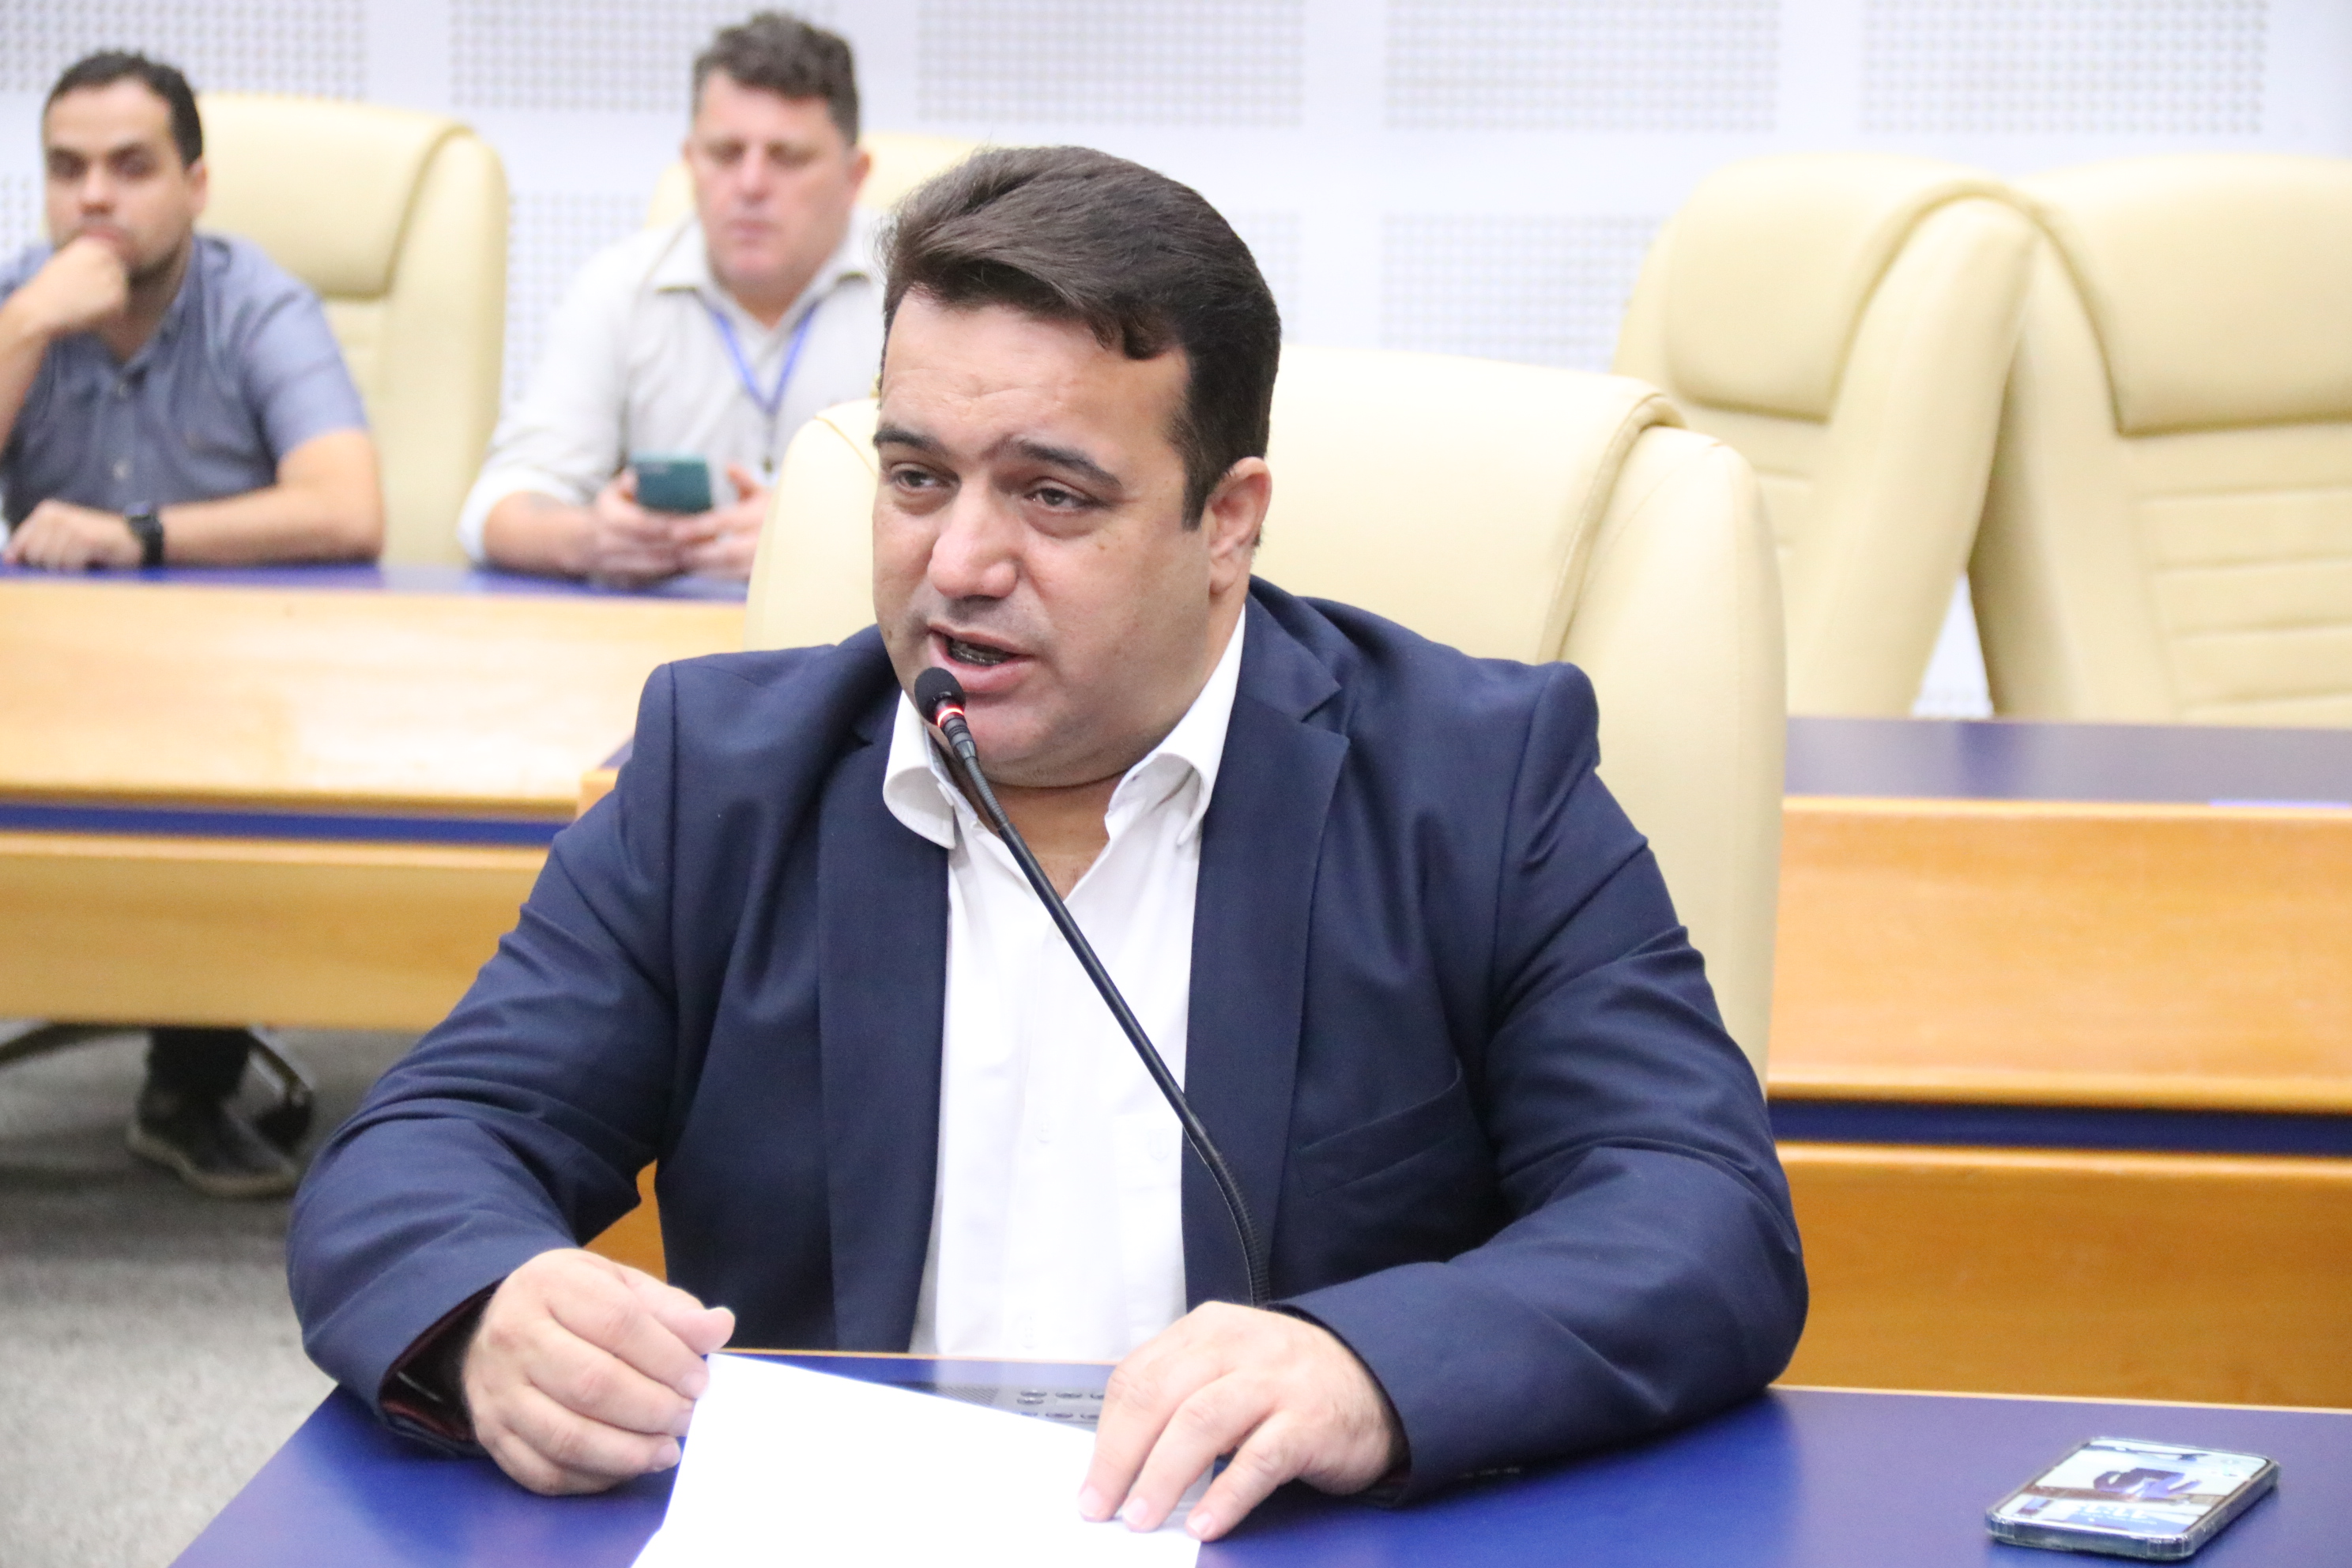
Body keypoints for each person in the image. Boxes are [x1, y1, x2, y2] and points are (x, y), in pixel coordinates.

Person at [290, 147, 1806, 1540]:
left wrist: (1368, 1360)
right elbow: (425, 1145)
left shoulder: (1472, 781)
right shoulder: (724, 778)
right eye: (916, 478)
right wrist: (491, 1306)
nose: (957, 562)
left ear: (1228, 522)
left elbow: (1698, 1208)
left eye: (1052, 495)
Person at [0, 51, 380, 1199]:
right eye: (68, 170)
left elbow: (347, 507)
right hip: (47, 677)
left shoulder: (255, 304)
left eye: (131, 167)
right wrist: (28, 325)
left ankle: (189, 1086)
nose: (95, 198)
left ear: (196, 184)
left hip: (233, 685)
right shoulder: (21, 297)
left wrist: (143, 535)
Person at [458, 11, 882, 586]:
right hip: (661, 627)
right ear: (690, 161)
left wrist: (825, 544)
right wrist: (589, 539)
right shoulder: (620, 288)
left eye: (787, 158)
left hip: (850, 630)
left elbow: (977, 520)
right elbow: (497, 506)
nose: (751, 185)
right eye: (726, 153)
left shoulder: (921, 292)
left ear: (855, 176)